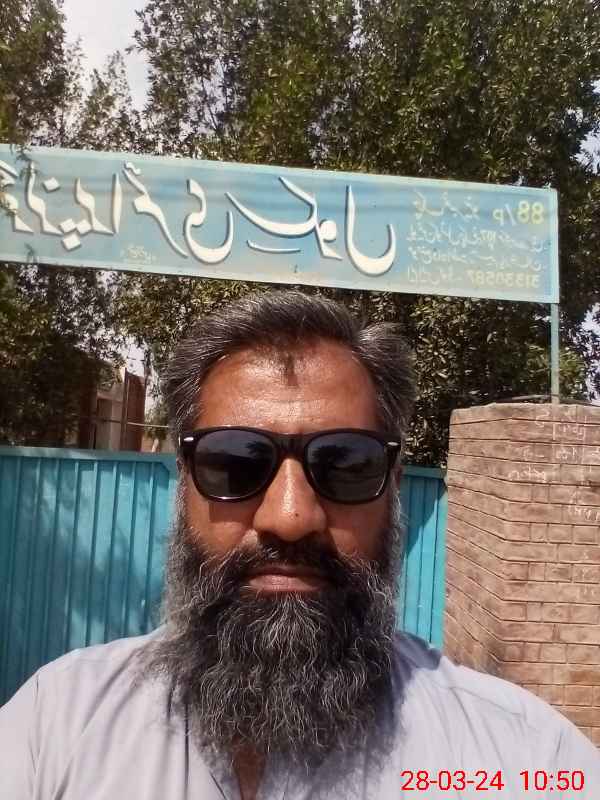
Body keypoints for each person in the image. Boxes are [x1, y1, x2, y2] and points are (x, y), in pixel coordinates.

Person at [1, 289, 598, 800]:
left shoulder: (522, 760)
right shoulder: (54, 730)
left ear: (393, 486)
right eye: (235, 462)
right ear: (183, 481)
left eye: (344, 464)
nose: (290, 517)